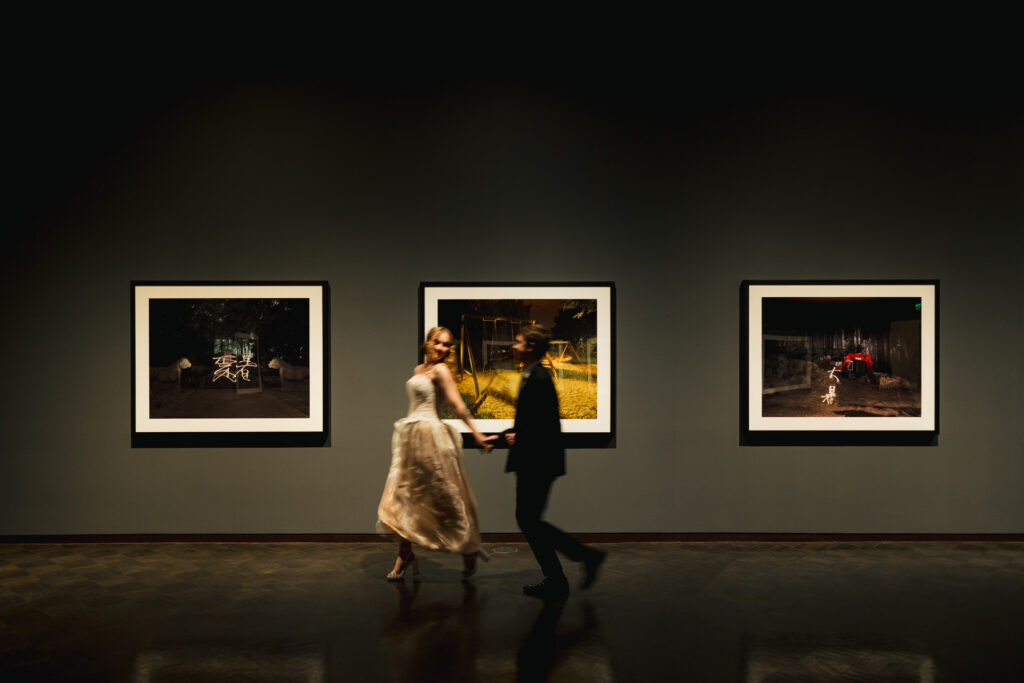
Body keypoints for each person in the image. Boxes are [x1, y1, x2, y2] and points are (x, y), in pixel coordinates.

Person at [377, 326, 495, 581]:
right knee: (406, 497)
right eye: (438, 343)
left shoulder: (441, 371)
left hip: (431, 437)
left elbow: (457, 405)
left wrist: (476, 433)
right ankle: (404, 554)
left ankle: (468, 548)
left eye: (446, 345)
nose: (442, 348)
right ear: (428, 342)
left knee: (444, 497)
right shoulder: (419, 370)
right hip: (411, 436)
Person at [504, 324, 606, 601]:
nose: (513, 346)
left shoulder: (538, 378)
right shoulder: (532, 375)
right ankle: (562, 574)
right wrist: (508, 436)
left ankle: (578, 562)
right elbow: (531, 422)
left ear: (530, 348)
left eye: (518, 342)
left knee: (527, 518)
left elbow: (544, 426)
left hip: (538, 461)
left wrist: (518, 438)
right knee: (529, 518)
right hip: (536, 459)